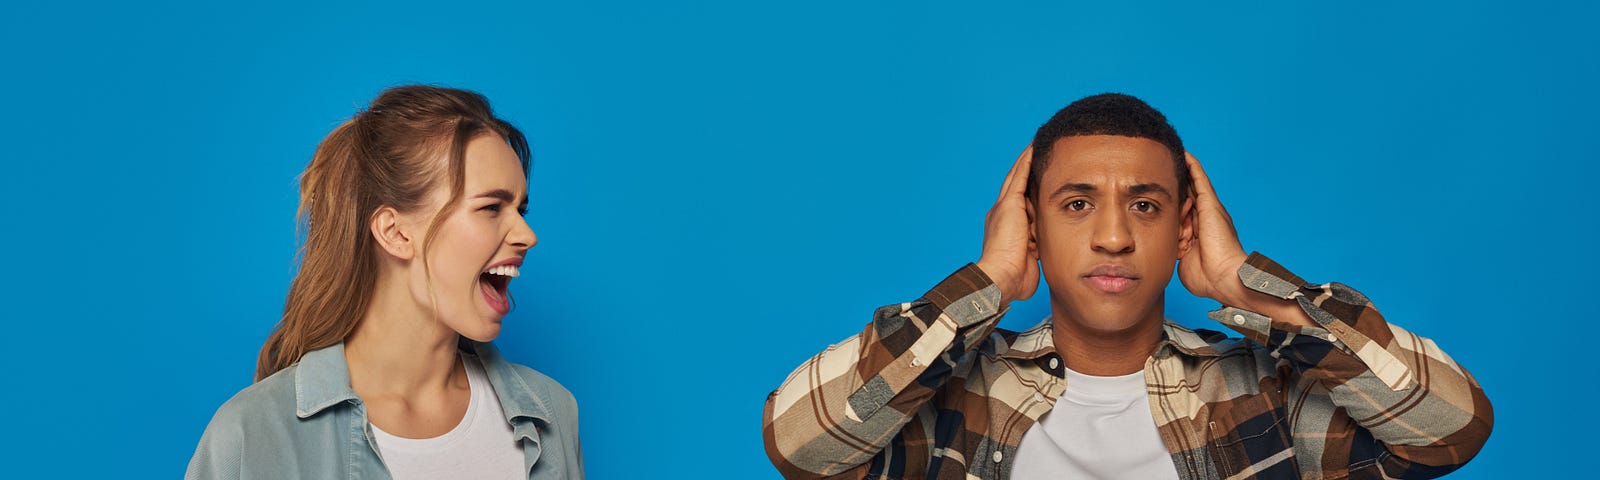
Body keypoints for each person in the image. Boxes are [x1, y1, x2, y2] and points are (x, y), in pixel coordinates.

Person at [761, 93, 1492, 479]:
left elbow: (1452, 429)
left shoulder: (1269, 396)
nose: (1113, 236)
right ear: (1032, 229)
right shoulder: (954, 401)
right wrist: (982, 285)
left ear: (1184, 228)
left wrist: (1255, 291)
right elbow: (799, 445)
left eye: (1145, 205)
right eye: (1077, 204)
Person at [187, 85, 582, 480]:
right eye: (491, 207)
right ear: (395, 233)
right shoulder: (250, 435)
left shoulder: (552, 417)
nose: (527, 235)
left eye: (520, 209)